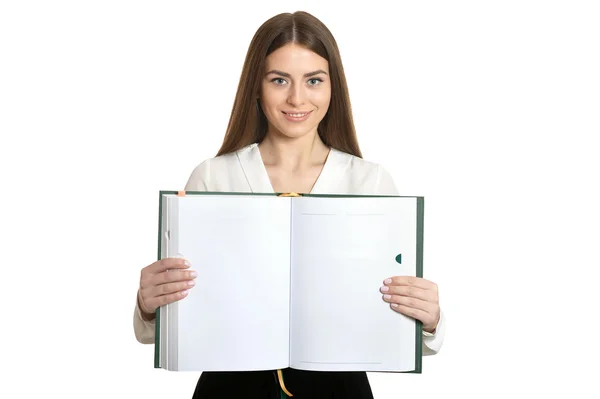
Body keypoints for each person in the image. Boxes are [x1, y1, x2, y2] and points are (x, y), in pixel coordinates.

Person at [134, 10, 445, 399]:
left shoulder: (369, 182)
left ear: (333, 88)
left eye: (313, 80)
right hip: (230, 390)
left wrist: (429, 320)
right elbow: (172, 322)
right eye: (279, 80)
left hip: (338, 391)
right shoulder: (212, 178)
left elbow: (396, 322)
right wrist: (148, 305)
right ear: (257, 87)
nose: (297, 98)